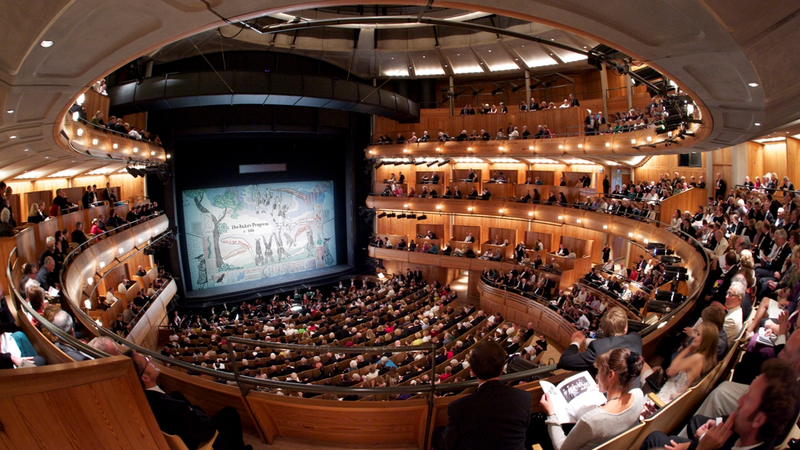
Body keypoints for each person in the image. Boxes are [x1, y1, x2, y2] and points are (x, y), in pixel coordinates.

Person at [640, 358, 800, 450]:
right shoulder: (752, 433)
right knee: (656, 438)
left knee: (653, 442)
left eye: (748, 398)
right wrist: (691, 446)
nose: (739, 400)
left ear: (759, 420)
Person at [124, 349, 251, 450]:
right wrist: (193, 410)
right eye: (147, 360)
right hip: (199, 442)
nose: (151, 359)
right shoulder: (172, 407)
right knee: (230, 414)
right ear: (145, 378)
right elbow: (208, 430)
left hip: (186, 433)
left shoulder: (144, 398)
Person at [539, 348, 644, 450]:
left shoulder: (590, 421)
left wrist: (551, 414)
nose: (597, 377)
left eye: (599, 371)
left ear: (611, 375)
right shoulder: (638, 396)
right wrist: (607, 388)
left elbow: (561, 448)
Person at [435, 341, 531, 450]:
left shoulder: (459, 407)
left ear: (473, 372)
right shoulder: (524, 398)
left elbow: (448, 443)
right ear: (501, 370)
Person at [557, 307, 643, 374]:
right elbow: (611, 343)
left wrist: (576, 342)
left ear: (604, 330)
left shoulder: (598, 351)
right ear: (625, 329)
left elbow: (564, 361)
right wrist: (585, 340)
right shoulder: (636, 338)